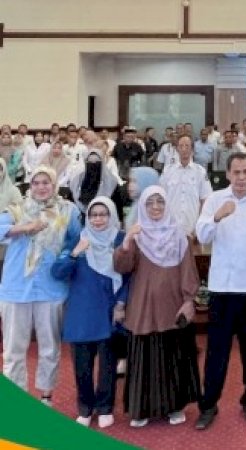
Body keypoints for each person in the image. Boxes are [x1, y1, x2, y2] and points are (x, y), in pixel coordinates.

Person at [194, 153, 246, 430]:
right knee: (216, 351)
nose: (241, 177)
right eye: (236, 172)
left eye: (245, 172)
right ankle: (208, 405)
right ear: (228, 174)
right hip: (222, 288)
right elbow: (202, 236)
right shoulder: (216, 199)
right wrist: (217, 217)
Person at [113, 185, 201, 427]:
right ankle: (141, 410)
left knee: (172, 356)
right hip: (142, 307)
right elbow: (122, 267)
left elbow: (188, 271)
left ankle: (173, 407)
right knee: (144, 357)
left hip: (172, 306)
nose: (155, 207)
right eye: (150, 202)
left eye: (159, 202)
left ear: (166, 205)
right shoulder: (137, 235)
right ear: (142, 206)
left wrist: (188, 299)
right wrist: (128, 239)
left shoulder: (179, 236)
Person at [0, 166, 82, 404]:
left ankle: (46, 396)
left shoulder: (68, 210)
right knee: (14, 350)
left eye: (46, 182)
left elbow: (76, 240)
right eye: (36, 182)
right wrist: (25, 228)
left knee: (49, 348)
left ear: (54, 184)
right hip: (16, 288)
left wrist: (66, 257)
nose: (41, 187)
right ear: (30, 185)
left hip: (51, 288)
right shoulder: (16, 210)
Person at [51, 197, 128, 428]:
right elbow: (57, 272)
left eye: (103, 214)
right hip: (82, 313)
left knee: (107, 364)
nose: (98, 219)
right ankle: (85, 408)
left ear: (112, 215)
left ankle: (105, 407)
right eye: (93, 214)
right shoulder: (78, 239)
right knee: (82, 366)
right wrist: (75, 253)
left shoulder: (121, 240)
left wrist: (121, 303)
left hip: (109, 311)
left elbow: (130, 276)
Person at [160, 135, 213, 237]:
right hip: (170, 228)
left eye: (187, 146)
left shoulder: (200, 171)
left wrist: (200, 225)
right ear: (177, 149)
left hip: (192, 228)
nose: (184, 149)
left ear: (192, 149)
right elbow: (161, 198)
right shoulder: (168, 171)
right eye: (181, 146)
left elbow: (205, 200)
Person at [69, 150, 119, 215]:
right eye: (89, 162)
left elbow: (117, 212)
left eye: (97, 162)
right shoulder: (76, 182)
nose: (93, 165)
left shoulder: (112, 183)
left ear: (102, 163)